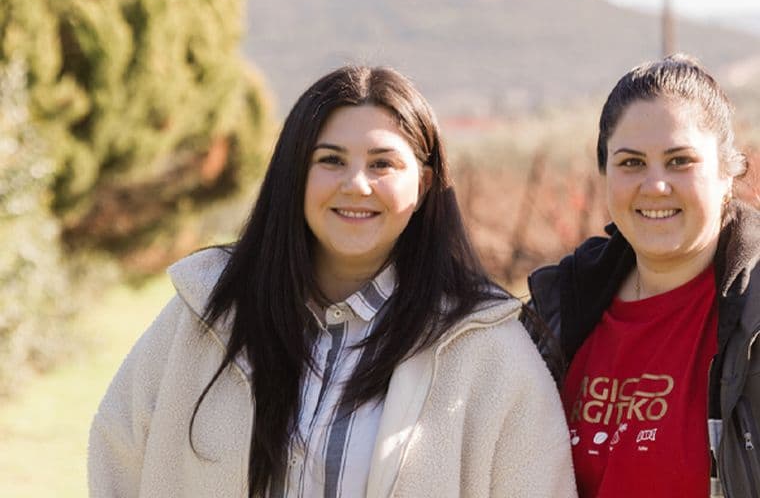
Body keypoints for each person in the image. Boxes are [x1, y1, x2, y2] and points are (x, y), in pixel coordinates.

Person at [88, 65, 576, 497]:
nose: (356, 184)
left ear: (423, 185)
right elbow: (118, 453)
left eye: (383, 163)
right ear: (295, 175)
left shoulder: (487, 347)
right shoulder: (206, 309)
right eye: (331, 160)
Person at [525, 53, 760, 498]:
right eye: (631, 163)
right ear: (605, 174)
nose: (655, 186)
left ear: (727, 173)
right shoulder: (555, 311)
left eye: (679, 161)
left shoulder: (755, 315)